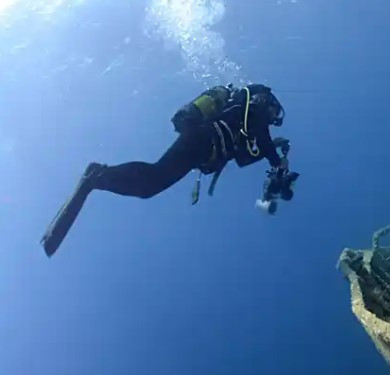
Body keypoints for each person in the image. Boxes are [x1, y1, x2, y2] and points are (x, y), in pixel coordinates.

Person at [40, 83, 290, 258]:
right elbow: (262, 136)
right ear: (267, 100)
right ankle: (95, 175)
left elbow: (244, 158)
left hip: (204, 147)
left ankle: (96, 177)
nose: (273, 117)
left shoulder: (246, 121)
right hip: (204, 139)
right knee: (152, 180)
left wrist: (274, 151)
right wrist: (276, 160)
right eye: (275, 111)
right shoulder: (254, 106)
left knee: (150, 185)